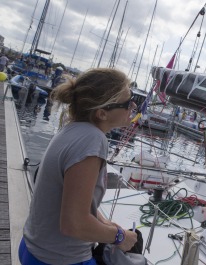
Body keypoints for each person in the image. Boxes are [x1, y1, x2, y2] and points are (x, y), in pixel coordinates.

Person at [19, 68, 139, 264]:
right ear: (102, 113)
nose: (133, 105)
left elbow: (76, 201)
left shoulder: (74, 129)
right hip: (58, 259)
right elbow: (74, 225)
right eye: (127, 102)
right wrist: (120, 237)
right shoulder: (92, 140)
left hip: (34, 249)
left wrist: (106, 224)